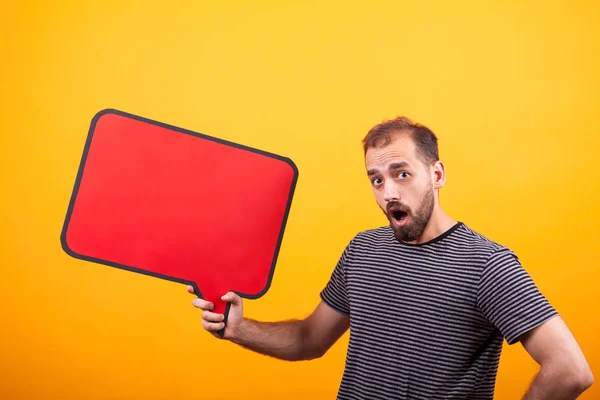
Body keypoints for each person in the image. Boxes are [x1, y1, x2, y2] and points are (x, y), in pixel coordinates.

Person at [187, 116, 593, 399]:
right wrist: (238, 329)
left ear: (436, 174)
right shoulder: (363, 250)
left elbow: (570, 370)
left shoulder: (486, 265)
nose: (388, 193)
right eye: (376, 180)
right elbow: (310, 339)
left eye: (402, 174)